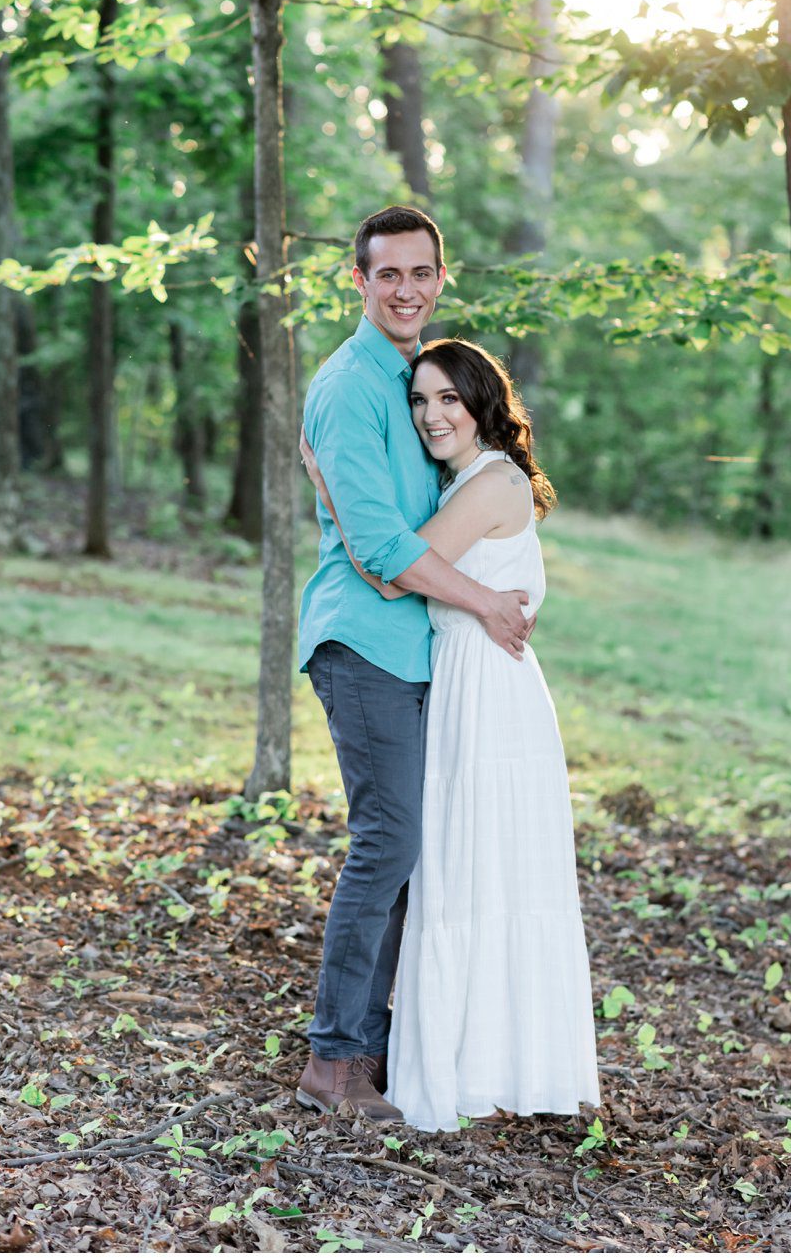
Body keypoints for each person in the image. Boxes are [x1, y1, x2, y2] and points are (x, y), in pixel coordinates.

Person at [305, 339, 600, 1131]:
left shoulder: (492, 480)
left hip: (487, 692)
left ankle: (468, 1059)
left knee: (474, 870)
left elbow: (391, 567)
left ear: (483, 404)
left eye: (449, 399)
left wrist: (328, 486)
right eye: (420, 401)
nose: (433, 414)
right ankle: (448, 1052)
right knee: (457, 869)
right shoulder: (466, 478)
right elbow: (404, 559)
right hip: (465, 681)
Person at [292, 206, 534, 1122]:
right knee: (389, 841)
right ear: (358, 280)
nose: (405, 289)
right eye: (387, 273)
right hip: (363, 641)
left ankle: (380, 1044)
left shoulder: (415, 378)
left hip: (420, 648)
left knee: (416, 850)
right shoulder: (351, 383)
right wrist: (484, 603)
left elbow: (423, 512)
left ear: (441, 277)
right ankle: (333, 1060)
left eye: (421, 272)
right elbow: (381, 549)